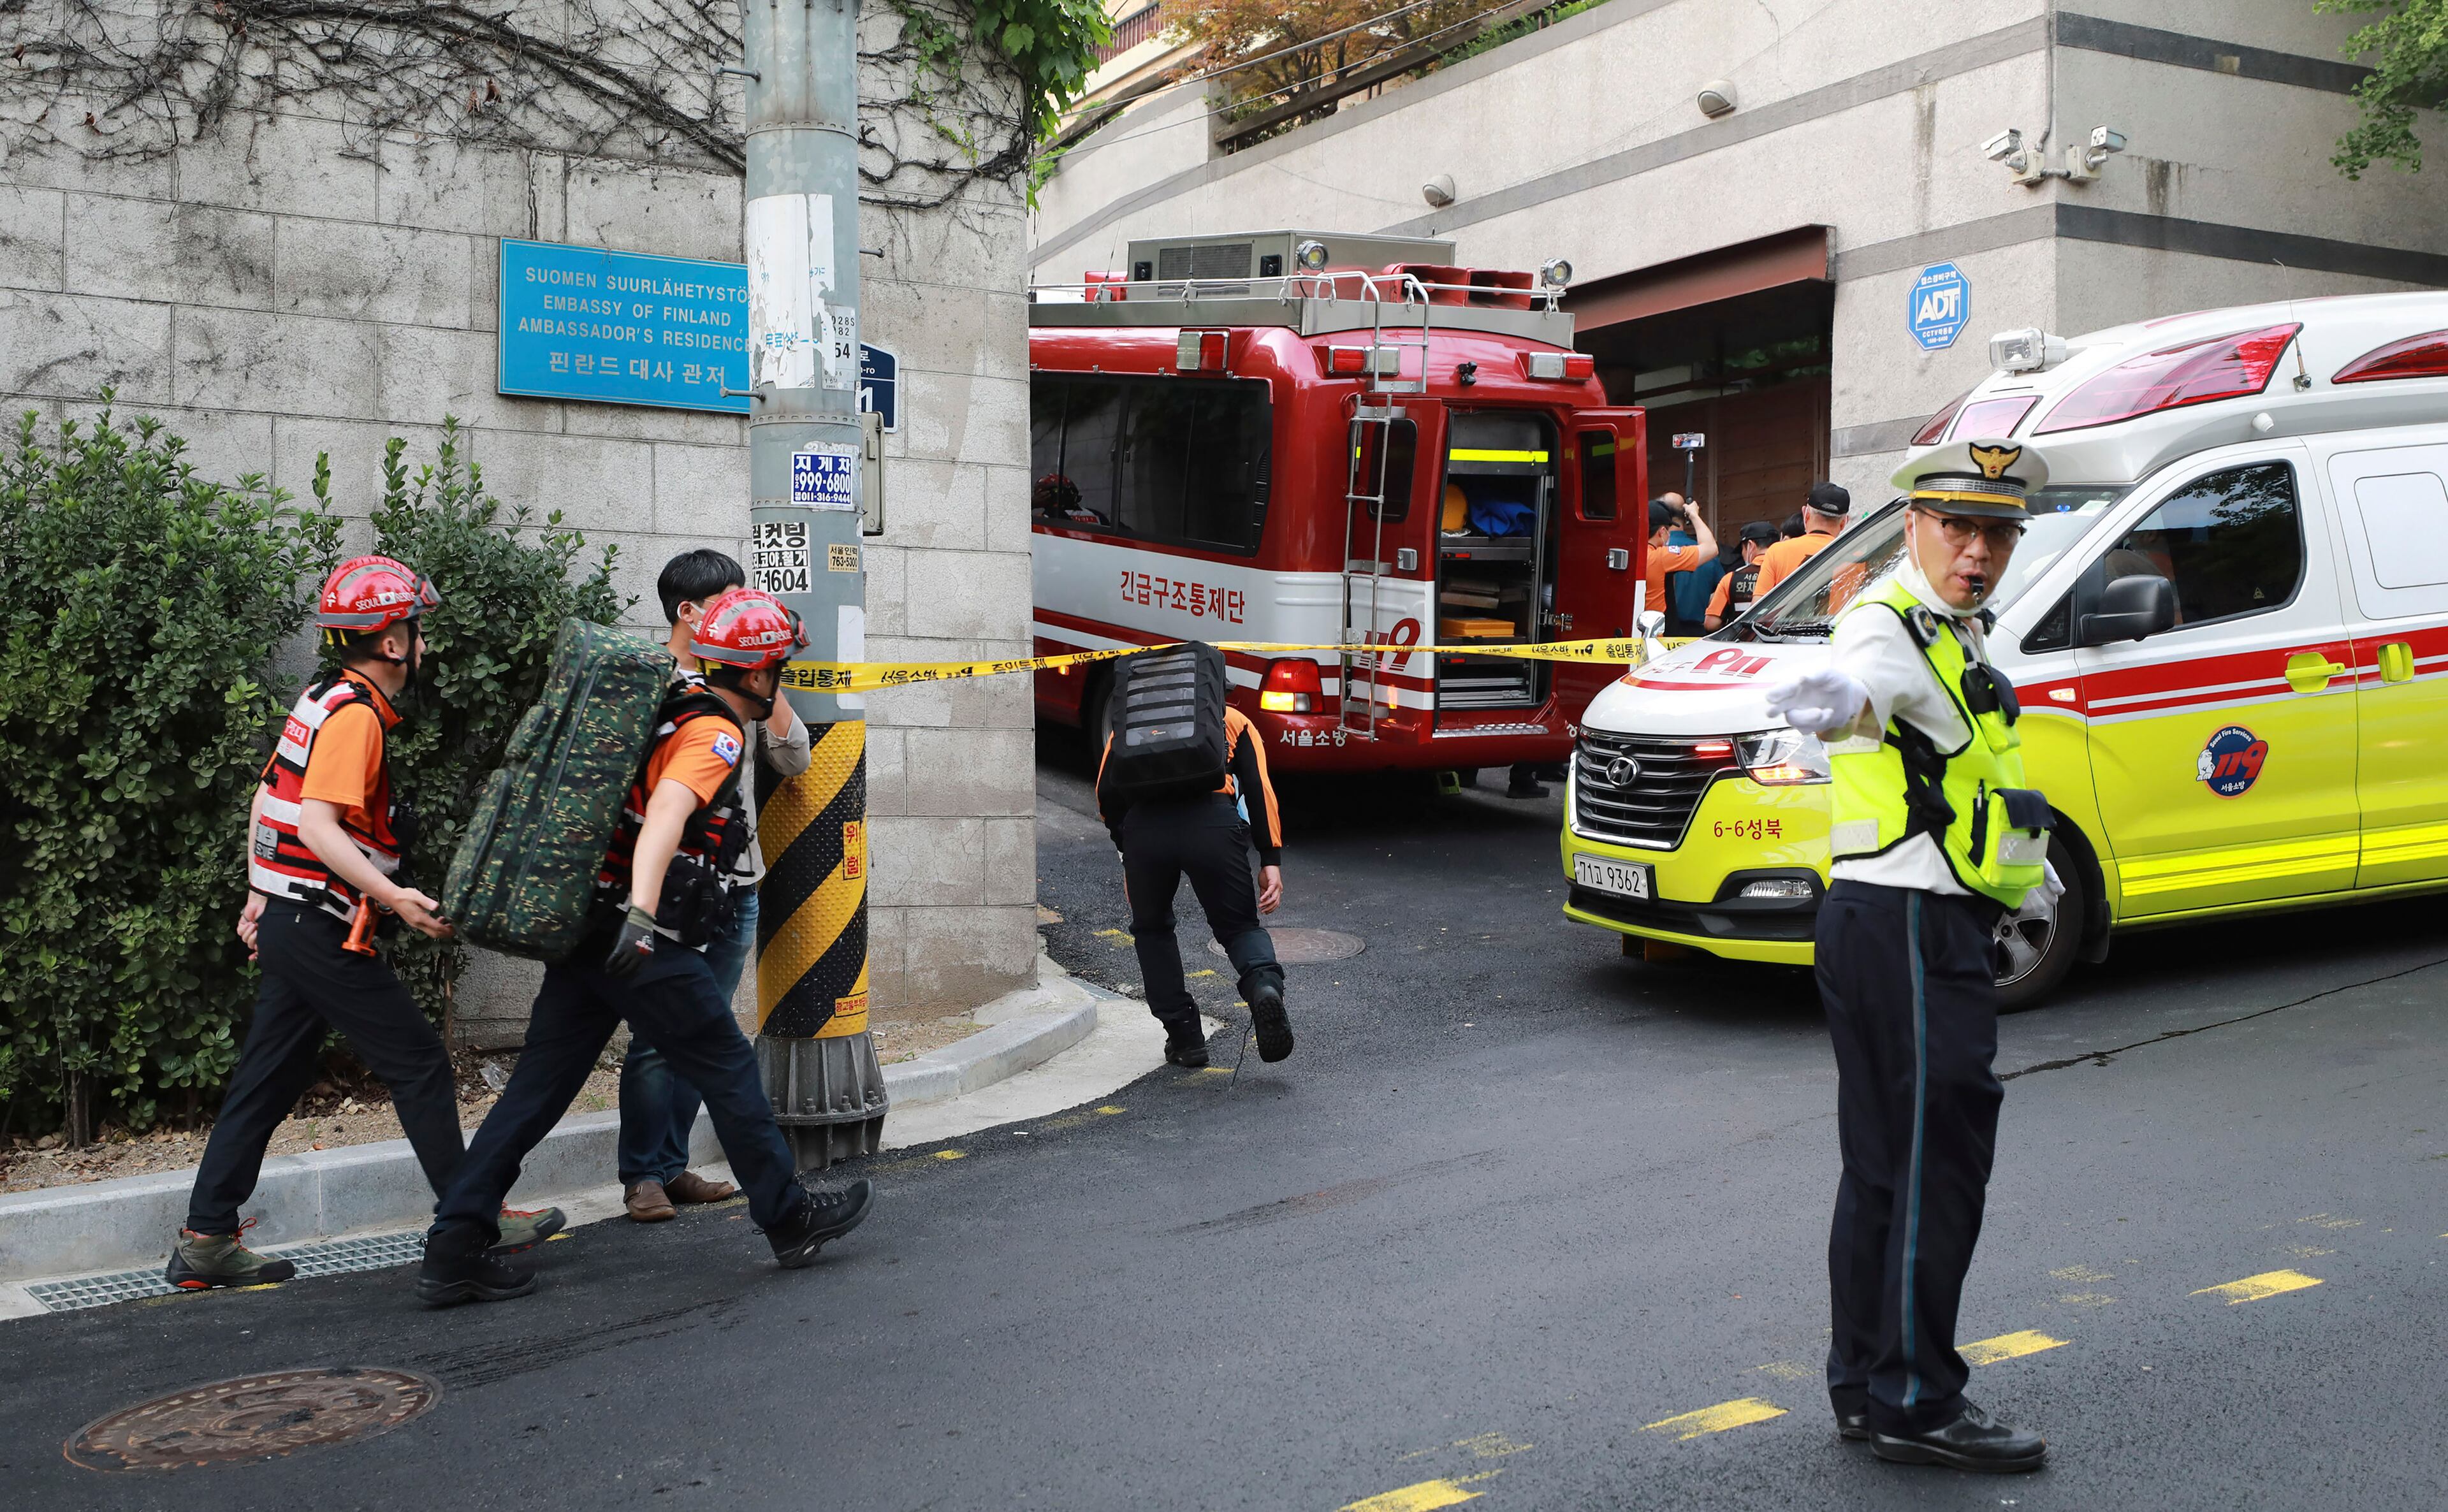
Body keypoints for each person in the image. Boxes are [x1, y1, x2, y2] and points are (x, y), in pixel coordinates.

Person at [418, 588, 872, 1305]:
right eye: (778, 665)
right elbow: (666, 812)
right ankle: (789, 1219)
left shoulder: (680, 692)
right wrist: (643, 912)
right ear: (757, 678)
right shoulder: (717, 734)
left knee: (537, 1090)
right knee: (726, 1065)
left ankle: (453, 1244)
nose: (781, 674)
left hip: (590, 927)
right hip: (640, 937)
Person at [1763, 439, 2064, 1474]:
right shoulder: (1885, 628)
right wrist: (1823, 696)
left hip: (1905, 919)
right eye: (1958, 528)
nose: (1978, 550)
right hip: (1906, 927)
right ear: (1916, 528)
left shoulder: (1954, 634)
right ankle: (1916, 1397)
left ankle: (1869, 1382)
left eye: (1998, 533)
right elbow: (1836, 694)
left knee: (1890, 1166)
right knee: (1936, 1166)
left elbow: (1976, 779)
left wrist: (2029, 882)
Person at [172, 558, 561, 1289]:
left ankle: (207, 1236)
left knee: (267, 1076)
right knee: (417, 1062)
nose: (425, 647)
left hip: (294, 917)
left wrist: (260, 894)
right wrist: (395, 895)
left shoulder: (320, 698)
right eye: (417, 632)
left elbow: (269, 802)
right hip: (320, 924)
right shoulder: (355, 718)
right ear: (391, 642)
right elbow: (317, 825)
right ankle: (473, 1220)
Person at [615, 551, 813, 1223]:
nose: (740, 609)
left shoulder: (743, 679)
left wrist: (768, 666)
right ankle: (642, 1172)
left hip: (737, 885)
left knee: (708, 1033)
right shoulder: (654, 685)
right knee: (656, 1038)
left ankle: (672, 1165)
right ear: (687, 613)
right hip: (672, 898)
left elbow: (797, 755)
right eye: (728, 600)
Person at [1096, 692, 1291, 1069]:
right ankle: (1263, 985)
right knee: (1238, 928)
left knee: (1152, 931)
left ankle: (1185, 1038)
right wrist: (1270, 859)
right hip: (1212, 825)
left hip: (1146, 831)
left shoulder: (1130, 724)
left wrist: (1127, 854)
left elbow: (1107, 794)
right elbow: (1259, 788)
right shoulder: (1230, 720)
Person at [1753, 481, 1851, 597]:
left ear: (1806, 514)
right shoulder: (1857, 556)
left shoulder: (1777, 551)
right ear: (1844, 522)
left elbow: (1758, 604)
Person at [1643, 496, 1717, 628]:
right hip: (1653, 638)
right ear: (1662, 532)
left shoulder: (1630, 554)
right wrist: (1694, 515)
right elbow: (1711, 548)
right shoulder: (1659, 557)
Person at [1663, 493, 1730, 636]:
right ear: (1685, 516)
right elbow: (1723, 589)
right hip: (1698, 636)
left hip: (1663, 635)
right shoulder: (1707, 554)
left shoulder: (1656, 552)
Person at [1703, 520, 1783, 630]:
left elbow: (1711, 623)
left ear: (1751, 546)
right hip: (1779, 641)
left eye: (1742, 549)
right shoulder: (1788, 572)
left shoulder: (1731, 579)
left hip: (1743, 642)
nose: (1742, 554)